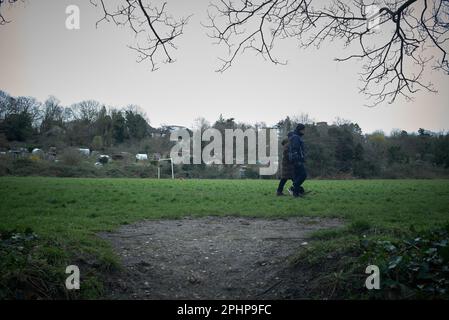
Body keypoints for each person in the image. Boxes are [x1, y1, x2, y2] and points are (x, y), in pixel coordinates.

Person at [288, 124, 307, 197]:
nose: (304, 131)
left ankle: (296, 193)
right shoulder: (296, 137)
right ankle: (293, 189)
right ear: (300, 130)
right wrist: (297, 160)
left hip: (295, 160)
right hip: (297, 160)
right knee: (303, 175)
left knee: (297, 176)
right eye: (304, 129)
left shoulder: (296, 137)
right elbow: (295, 149)